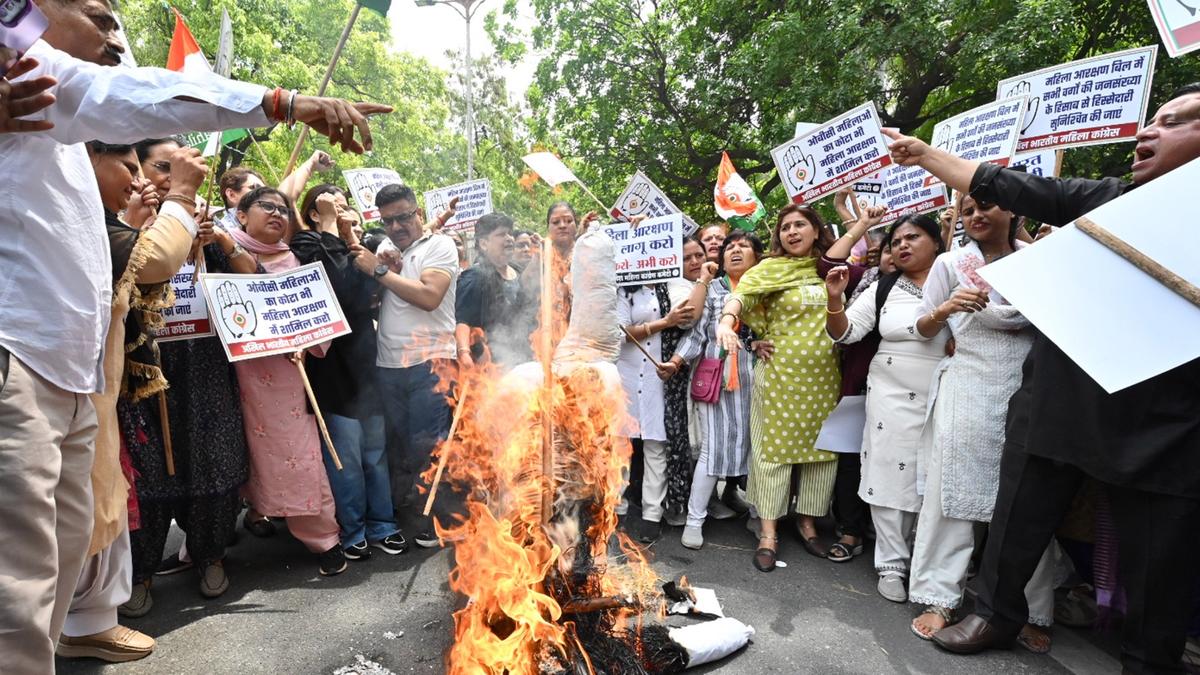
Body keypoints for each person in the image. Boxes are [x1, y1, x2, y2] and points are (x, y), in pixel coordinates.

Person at [0, 2, 387, 668]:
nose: (113, 38)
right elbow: (134, 103)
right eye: (98, 15)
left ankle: (83, 622)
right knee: (15, 598)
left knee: (62, 560)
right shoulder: (26, 71)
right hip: (20, 365)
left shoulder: (53, 114)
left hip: (76, 373)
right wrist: (282, 103)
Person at [883, 84, 1200, 673]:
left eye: (1179, 122)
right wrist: (927, 155)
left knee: (1160, 552)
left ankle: (1150, 658)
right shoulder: (1110, 201)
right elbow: (1018, 186)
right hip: (1060, 395)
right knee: (1017, 513)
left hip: (1165, 419)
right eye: (1152, 119)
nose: (1148, 132)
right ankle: (992, 614)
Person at [56, 141, 206, 663]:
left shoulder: (97, 221)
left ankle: (87, 621)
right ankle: (70, 625)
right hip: (59, 387)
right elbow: (156, 258)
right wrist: (182, 193)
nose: (138, 177)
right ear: (84, 159)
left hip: (89, 392)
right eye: (128, 165)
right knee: (73, 511)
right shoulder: (77, 218)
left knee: (98, 499)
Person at [906, 194, 1055, 652]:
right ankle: (939, 594)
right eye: (968, 210)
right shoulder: (951, 264)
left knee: (1025, 498)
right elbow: (922, 328)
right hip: (967, 384)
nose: (975, 216)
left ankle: (1031, 607)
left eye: (987, 205)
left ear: (1016, 212)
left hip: (1026, 386)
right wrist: (946, 310)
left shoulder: (1041, 262)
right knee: (952, 492)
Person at [221, 187, 346, 576]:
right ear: (240, 215)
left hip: (287, 376)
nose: (278, 214)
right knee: (237, 453)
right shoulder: (211, 249)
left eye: (284, 209)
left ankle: (323, 538)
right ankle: (247, 519)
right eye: (267, 207)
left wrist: (306, 341)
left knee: (299, 455)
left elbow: (316, 316)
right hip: (229, 376)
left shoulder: (296, 260)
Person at [825, 214, 948, 601]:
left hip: (947, 389)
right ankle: (891, 563)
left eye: (913, 237)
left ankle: (928, 561)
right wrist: (834, 299)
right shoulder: (883, 287)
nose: (902, 246)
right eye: (896, 241)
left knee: (934, 474)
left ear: (937, 240)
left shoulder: (957, 277)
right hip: (890, 394)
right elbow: (845, 332)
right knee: (889, 468)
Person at [716, 205, 842, 572]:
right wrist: (727, 322)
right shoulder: (768, 270)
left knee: (820, 456)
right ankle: (768, 533)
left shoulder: (830, 268)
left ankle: (806, 523)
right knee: (772, 455)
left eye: (799, 224)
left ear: (816, 230)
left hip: (824, 379)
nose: (791, 232)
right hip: (780, 378)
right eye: (785, 226)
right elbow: (742, 298)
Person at [293, 184, 408, 560]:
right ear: (314, 212)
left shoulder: (358, 249)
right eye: (333, 207)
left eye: (346, 208)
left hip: (365, 361)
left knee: (375, 452)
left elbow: (365, 296)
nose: (344, 213)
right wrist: (329, 227)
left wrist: (357, 246)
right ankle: (353, 528)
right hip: (332, 366)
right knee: (346, 458)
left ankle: (383, 524)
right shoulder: (307, 245)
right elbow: (335, 288)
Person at [350, 184, 459, 548]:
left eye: (402, 217)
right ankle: (414, 508)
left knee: (428, 444)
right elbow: (386, 300)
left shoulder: (438, 246)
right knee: (400, 445)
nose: (396, 226)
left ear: (418, 214)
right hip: (389, 364)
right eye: (388, 220)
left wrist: (378, 270)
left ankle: (439, 519)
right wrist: (385, 276)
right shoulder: (394, 253)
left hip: (431, 361)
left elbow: (430, 297)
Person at [663, 230, 766, 549]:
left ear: (757, 256)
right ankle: (695, 520)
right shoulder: (713, 290)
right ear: (721, 259)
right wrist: (676, 361)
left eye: (743, 246)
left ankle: (759, 515)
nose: (735, 250)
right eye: (729, 247)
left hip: (760, 379)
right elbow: (696, 337)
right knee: (711, 450)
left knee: (758, 450)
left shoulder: (766, 288)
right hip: (716, 380)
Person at [617, 273, 696, 542]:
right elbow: (621, 331)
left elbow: (690, 323)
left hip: (659, 373)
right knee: (620, 444)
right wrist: (665, 322)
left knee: (655, 444)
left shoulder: (675, 286)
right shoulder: (625, 289)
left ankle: (652, 513)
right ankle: (616, 506)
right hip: (626, 372)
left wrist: (675, 359)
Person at [455, 212, 533, 368]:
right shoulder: (474, 276)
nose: (509, 238)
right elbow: (463, 321)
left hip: (523, 359)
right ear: (484, 244)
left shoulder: (518, 272)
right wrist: (464, 353)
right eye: (501, 234)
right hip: (491, 366)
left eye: (510, 233)